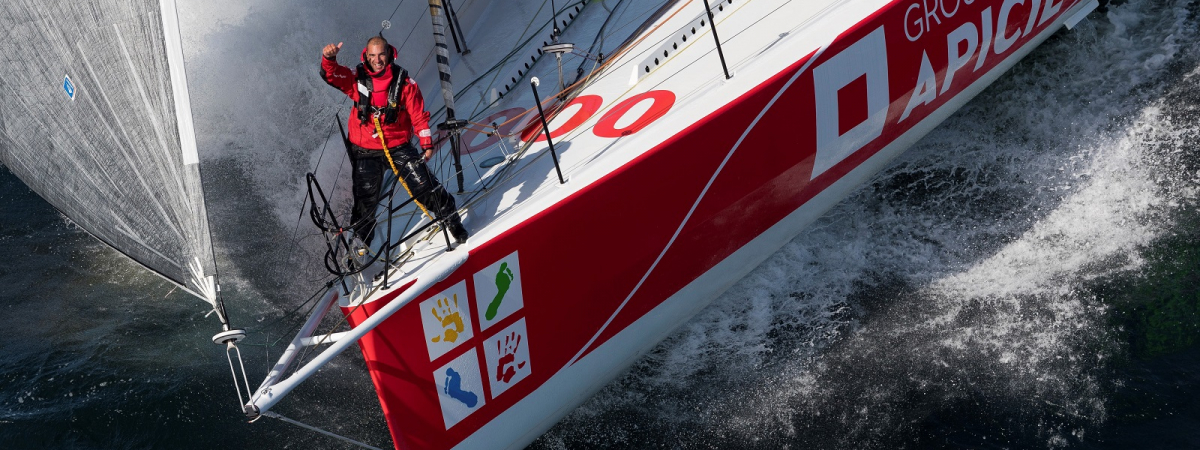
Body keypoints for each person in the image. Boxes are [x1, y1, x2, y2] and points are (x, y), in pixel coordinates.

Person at [320, 36, 469, 250]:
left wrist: (426, 142)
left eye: (381, 54)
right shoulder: (356, 78)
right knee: (365, 200)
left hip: (398, 145)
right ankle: (359, 248)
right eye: (372, 55)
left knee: (424, 186)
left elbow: (418, 116)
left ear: (389, 53)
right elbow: (332, 76)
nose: (377, 60)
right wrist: (329, 59)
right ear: (366, 55)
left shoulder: (406, 84)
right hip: (364, 150)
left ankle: (453, 221)